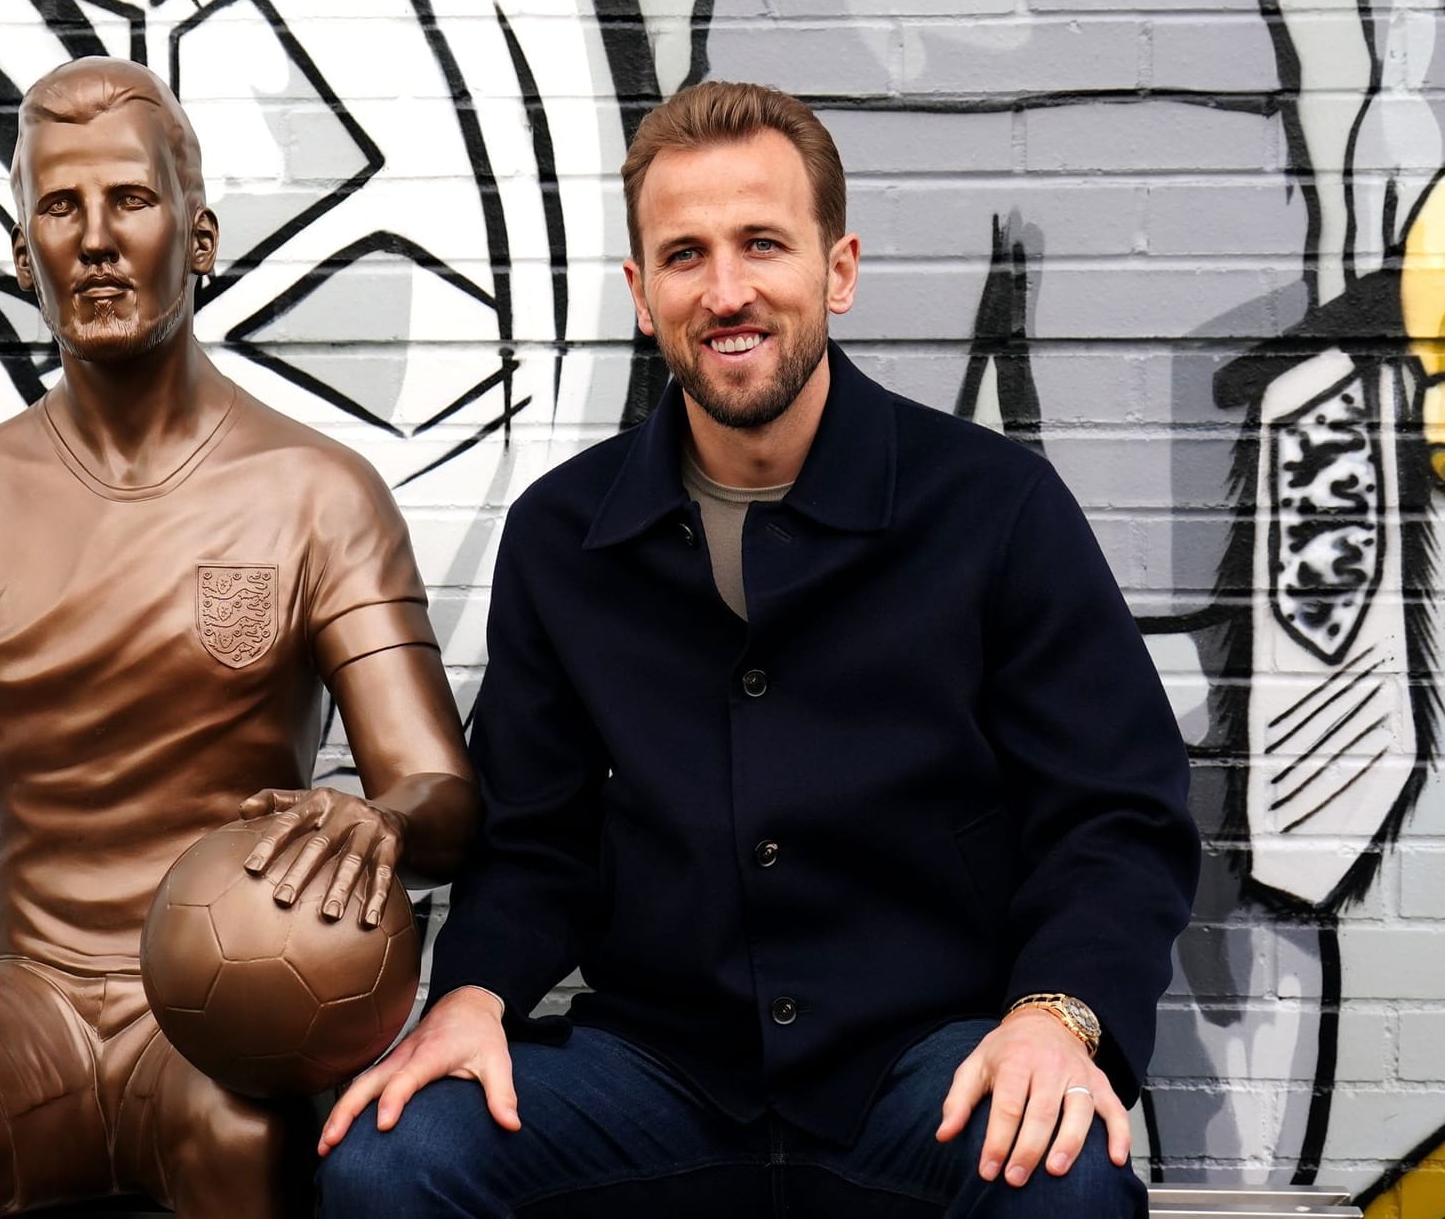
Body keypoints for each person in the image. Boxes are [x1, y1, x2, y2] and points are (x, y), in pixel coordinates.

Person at [315, 80, 1200, 1218]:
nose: (726, 291)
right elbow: (537, 839)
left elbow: (1116, 812)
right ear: (641, 295)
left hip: (926, 1067)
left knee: (1066, 1178)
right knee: (390, 1158)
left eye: (762, 244)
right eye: (685, 255)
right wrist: (474, 992)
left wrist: (1057, 1013)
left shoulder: (996, 508)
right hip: (655, 1071)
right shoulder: (563, 535)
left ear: (838, 268)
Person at [0, 57, 476, 1219]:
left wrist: (378, 818)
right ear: (22, 255)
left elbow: (440, 788)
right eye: (59, 206)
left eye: (130, 200)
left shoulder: (317, 493)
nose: (94, 239)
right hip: (27, 1008)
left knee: (243, 1130)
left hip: (216, 1021)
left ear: (200, 236)